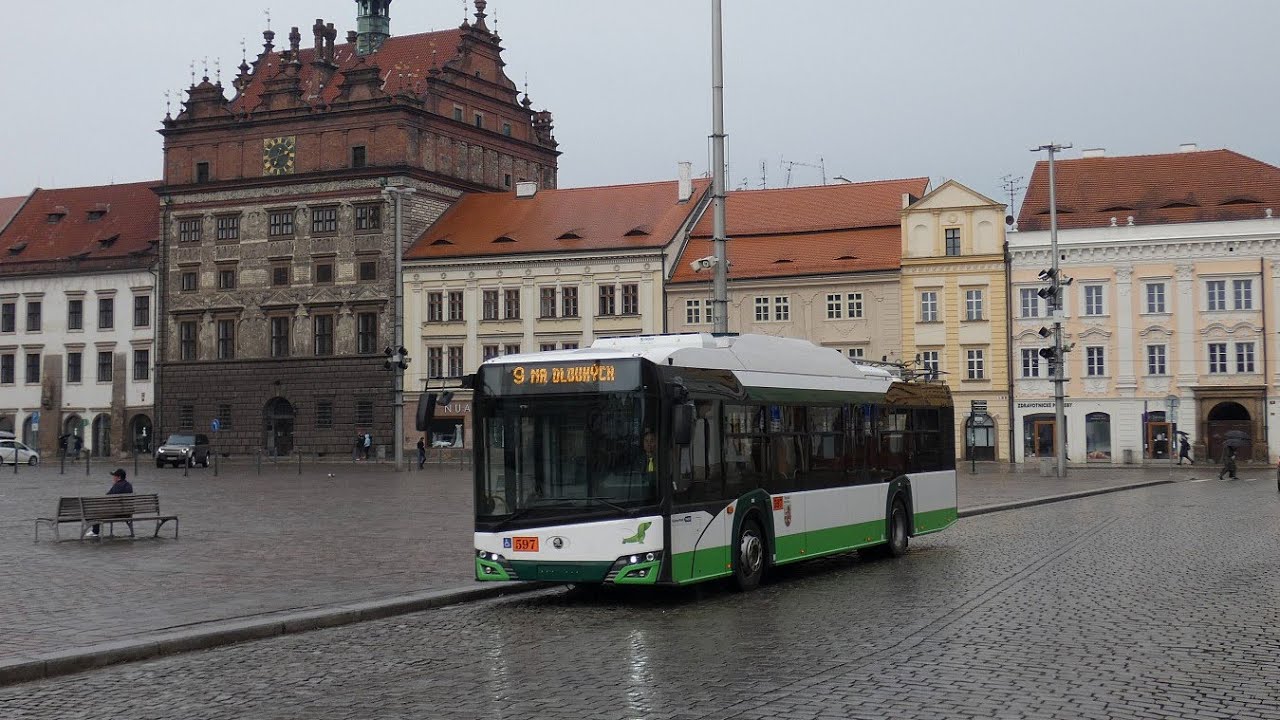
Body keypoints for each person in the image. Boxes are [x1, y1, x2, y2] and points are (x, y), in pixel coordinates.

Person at [83, 468, 133, 539]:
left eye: (114, 476)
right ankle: (94, 531)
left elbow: (107, 498)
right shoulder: (129, 485)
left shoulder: (117, 486)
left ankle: (95, 531)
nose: (113, 477)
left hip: (115, 513)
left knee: (92, 511)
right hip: (127, 513)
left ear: (118, 477)